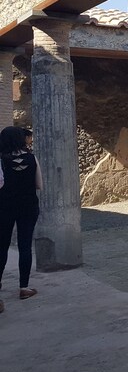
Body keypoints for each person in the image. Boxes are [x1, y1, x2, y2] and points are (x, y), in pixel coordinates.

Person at [0, 126, 43, 300]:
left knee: (2, 246)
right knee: (25, 246)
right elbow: (39, 184)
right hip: (28, 206)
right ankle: (24, 287)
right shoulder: (32, 158)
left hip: (4, 207)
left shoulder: (1, 160)